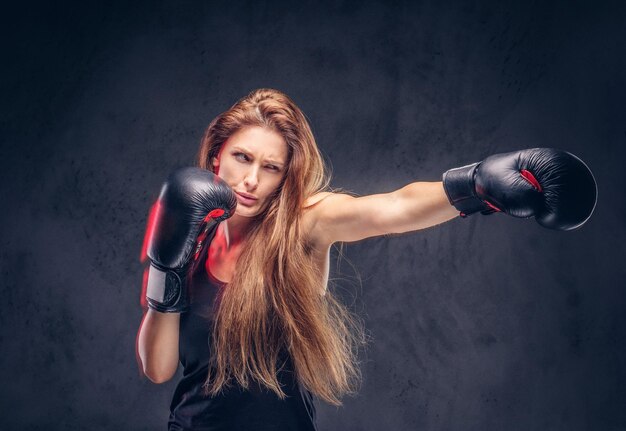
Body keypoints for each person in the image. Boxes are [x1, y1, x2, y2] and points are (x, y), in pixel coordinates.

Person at [136, 88, 597, 431]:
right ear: (217, 155)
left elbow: (390, 208)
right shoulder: (187, 229)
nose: (252, 180)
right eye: (242, 157)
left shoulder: (303, 224)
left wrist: (478, 185)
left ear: (285, 176)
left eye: (271, 167)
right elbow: (158, 368)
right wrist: (167, 267)